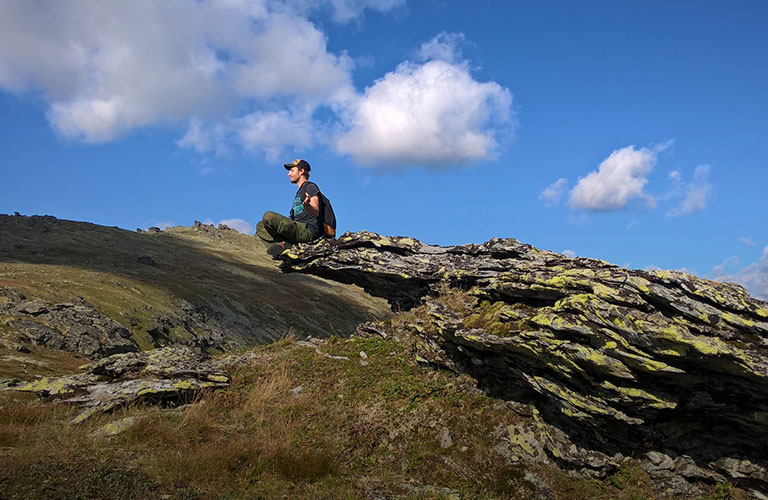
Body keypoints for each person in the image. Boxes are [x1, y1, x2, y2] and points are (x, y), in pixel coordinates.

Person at [255, 159, 323, 256]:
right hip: (297, 228)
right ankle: (283, 249)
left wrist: (308, 206)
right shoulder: (299, 192)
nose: (289, 174)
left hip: (308, 231)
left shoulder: (310, 186)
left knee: (268, 216)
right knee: (261, 226)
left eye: (292, 171)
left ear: (301, 171)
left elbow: (316, 211)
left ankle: (287, 247)